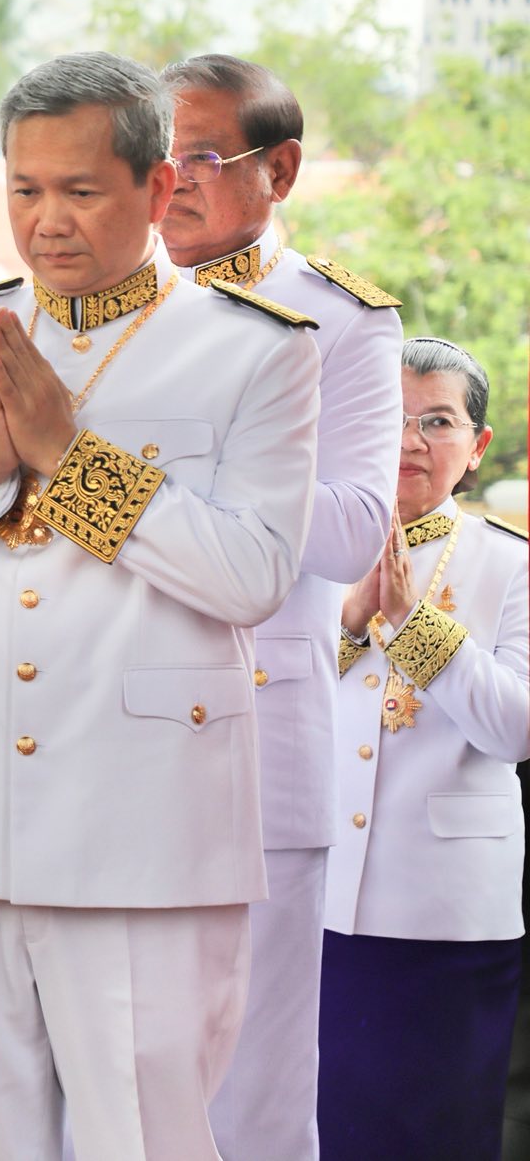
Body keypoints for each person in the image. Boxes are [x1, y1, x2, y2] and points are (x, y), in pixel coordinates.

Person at [0, 52, 321, 1159]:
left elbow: (252, 571)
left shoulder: (252, 352)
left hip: (141, 825)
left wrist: (74, 462)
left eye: (79, 190)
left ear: (155, 188)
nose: (45, 221)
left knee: (140, 1136)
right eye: (23, 189)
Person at [154, 54, 404, 1161]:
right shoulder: (107, 306)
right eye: (154, 158)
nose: (172, 181)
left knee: (248, 1093)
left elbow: (353, 529)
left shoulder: (339, 322)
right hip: (97, 740)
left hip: (256, 740)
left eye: (201, 156)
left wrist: (162, 475)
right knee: (102, 1075)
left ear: (280, 168)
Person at [319, 337, 529, 1161]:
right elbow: (263, 699)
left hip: (447, 905)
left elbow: (515, 727)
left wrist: (414, 626)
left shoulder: (510, 567)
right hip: (317, 888)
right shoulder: (311, 554)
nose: (410, 440)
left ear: (475, 450)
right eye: (395, 419)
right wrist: (344, 624)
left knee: (437, 1125)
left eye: (436, 422)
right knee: (318, 1120)